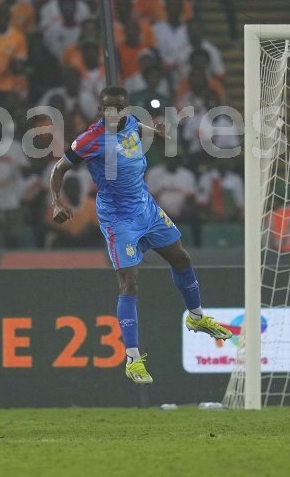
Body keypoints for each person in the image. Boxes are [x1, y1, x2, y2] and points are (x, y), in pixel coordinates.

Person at [48, 86, 232, 385]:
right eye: (107, 107)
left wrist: (160, 132)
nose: (113, 113)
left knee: (181, 258)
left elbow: (156, 134)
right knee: (129, 282)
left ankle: (197, 317)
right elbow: (59, 169)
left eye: (119, 107)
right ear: (99, 110)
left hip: (146, 208)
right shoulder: (90, 139)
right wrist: (57, 202)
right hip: (118, 220)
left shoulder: (132, 123)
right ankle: (133, 359)